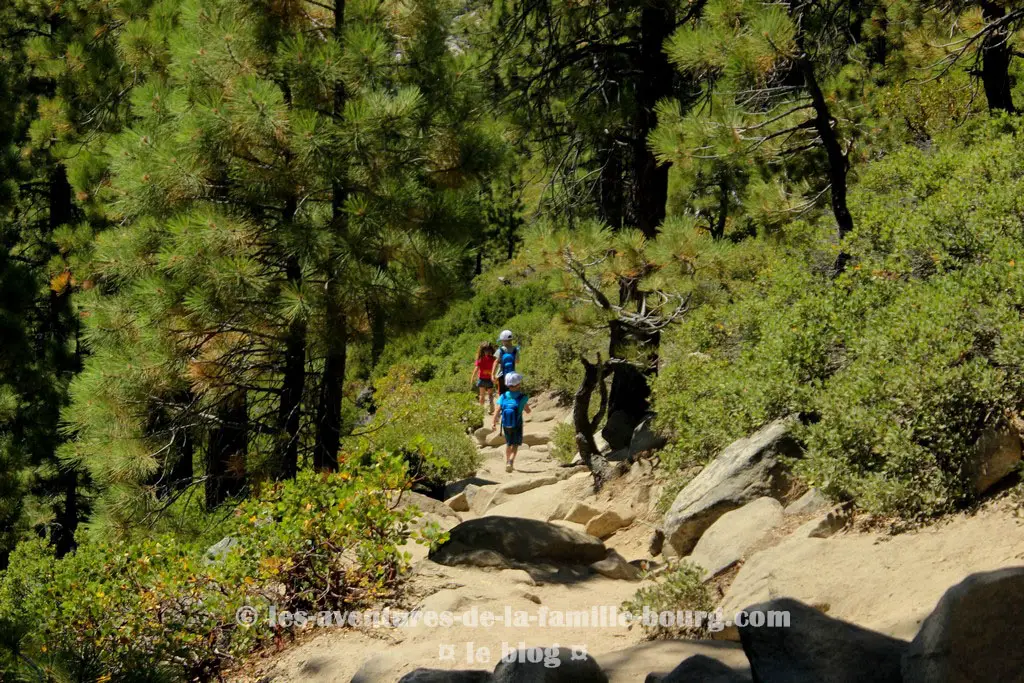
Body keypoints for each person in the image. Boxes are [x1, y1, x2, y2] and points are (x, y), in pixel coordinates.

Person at [492, 372, 530, 473]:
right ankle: (511, 462)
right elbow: (527, 410)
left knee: (508, 443)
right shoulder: (523, 397)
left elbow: (496, 410)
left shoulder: (503, 396)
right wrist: (526, 409)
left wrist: (493, 423)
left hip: (505, 424)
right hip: (517, 424)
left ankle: (507, 461)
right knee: (515, 444)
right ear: (518, 384)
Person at [492, 329, 520, 395]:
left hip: (501, 375)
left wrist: (492, 374)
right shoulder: (515, 350)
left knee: (502, 394)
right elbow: (517, 361)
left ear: (503, 340)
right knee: (511, 392)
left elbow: (495, 362)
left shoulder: (500, 350)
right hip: (512, 375)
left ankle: (502, 405)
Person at [470, 341, 496, 410]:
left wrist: (472, 377)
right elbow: (496, 367)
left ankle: (481, 409)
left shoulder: (480, 359)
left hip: (482, 379)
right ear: (491, 350)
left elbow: (476, 369)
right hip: (490, 379)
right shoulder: (493, 359)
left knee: (482, 395)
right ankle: (491, 406)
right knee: (490, 395)